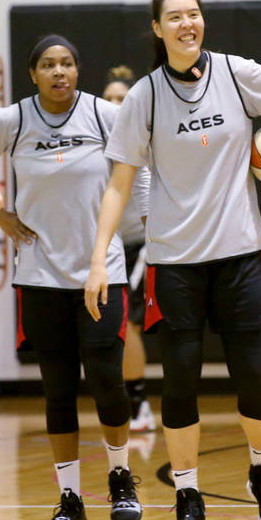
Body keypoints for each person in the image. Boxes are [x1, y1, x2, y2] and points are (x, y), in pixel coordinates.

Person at [84, 0, 261, 520]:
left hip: (240, 255)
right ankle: (188, 495)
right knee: (179, 385)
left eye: (194, 15)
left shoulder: (238, 73)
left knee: (255, 381)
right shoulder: (144, 98)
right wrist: (99, 261)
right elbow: (119, 187)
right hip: (175, 263)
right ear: (157, 29)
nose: (186, 25)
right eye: (174, 17)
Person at [0, 37, 149, 520]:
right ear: (32, 73)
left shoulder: (104, 115)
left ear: (78, 69)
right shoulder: (10, 122)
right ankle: (70, 499)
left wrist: (145, 232)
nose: (59, 72)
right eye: (49, 65)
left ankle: (121, 477)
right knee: (57, 391)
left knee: (106, 380)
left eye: (68, 64)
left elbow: (135, 178)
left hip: (102, 271)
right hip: (38, 274)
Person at [103, 65, 156, 432]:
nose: (115, 105)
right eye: (108, 99)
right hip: (105, 245)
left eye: (122, 99)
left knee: (129, 323)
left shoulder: (144, 136)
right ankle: (122, 396)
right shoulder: (92, 137)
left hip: (139, 243)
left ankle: (138, 403)